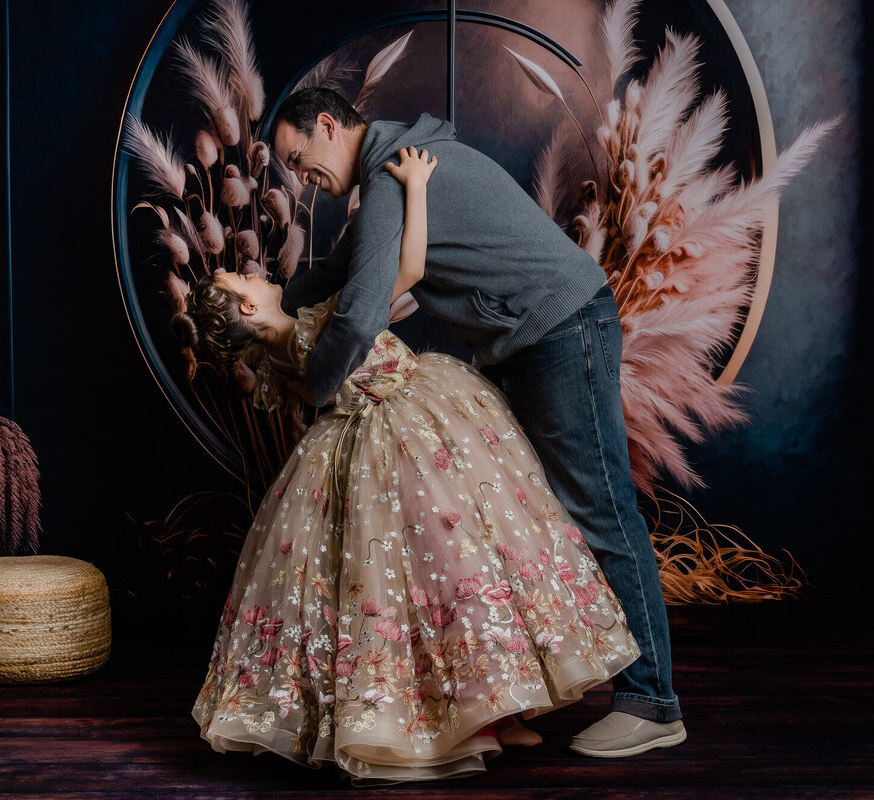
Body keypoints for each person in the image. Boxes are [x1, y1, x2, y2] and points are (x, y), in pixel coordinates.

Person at [179, 146, 638, 784]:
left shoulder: (285, 349)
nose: (256, 274)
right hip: (407, 438)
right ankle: (474, 712)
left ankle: (487, 710)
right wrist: (416, 189)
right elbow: (410, 267)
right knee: (457, 565)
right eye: (244, 283)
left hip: (377, 443)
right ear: (252, 310)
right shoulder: (320, 330)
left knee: (426, 580)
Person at [272, 88, 686, 757]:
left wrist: (312, 388)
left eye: (298, 158)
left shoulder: (389, 176)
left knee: (601, 509)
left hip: (558, 327)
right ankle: (546, 692)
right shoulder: (397, 166)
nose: (302, 179)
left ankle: (654, 703)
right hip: (531, 340)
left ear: (326, 125)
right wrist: (267, 302)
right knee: (529, 519)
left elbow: (359, 310)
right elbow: (341, 270)